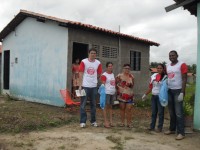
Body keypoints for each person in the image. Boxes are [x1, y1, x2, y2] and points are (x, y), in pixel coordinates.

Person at [164, 50, 188, 140]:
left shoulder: (182, 64)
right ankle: (172, 129)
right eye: (170, 56)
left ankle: (181, 133)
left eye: (173, 55)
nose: (171, 57)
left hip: (178, 90)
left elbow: (184, 78)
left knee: (179, 113)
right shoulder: (167, 66)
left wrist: (182, 92)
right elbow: (168, 77)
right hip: (170, 90)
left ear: (177, 55)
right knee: (171, 112)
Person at [78, 48, 102, 128]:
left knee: (93, 105)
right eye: (91, 53)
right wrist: (80, 85)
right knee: (83, 104)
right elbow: (80, 74)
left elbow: (99, 74)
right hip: (85, 86)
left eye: (94, 53)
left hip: (94, 86)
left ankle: (93, 121)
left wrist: (94, 80)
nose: (93, 54)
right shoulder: (84, 62)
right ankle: (82, 121)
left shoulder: (98, 63)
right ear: (89, 53)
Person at [142, 64, 166, 132]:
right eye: (158, 68)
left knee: (161, 113)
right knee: (153, 112)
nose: (159, 69)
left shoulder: (165, 77)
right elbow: (150, 87)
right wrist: (145, 94)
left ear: (163, 69)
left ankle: (159, 128)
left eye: (160, 68)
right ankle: (152, 126)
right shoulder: (153, 76)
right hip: (154, 96)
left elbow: (167, 88)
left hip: (161, 97)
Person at [115, 64, 134, 128]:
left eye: (128, 68)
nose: (127, 69)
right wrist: (119, 90)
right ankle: (122, 123)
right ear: (123, 69)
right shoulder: (119, 76)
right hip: (121, 95)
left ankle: (129, 123)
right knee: (122, 109)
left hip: (129, 95)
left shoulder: (132, 76)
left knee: (129, 109)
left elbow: (133, 85)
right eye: (126, 68)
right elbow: (115, 84)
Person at [100, 62, 116, 128]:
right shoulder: (104, 75)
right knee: (105, 107)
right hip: (107, 92)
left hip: (112, 92)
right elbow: (103, 85)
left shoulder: (112, 74)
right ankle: (106, 122)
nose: (110, 67)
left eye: (111, 66)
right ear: (107, 67)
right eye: (109, 66)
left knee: (111, 107)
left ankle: (111, 121)